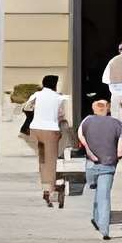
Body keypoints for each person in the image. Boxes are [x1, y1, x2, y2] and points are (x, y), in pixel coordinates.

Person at [77, 97, 122, 240]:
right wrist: (118, 154)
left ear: (94, 109)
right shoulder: (118, 124)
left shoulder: (87, 120)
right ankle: (104, 228)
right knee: (104, 196)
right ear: (108, 109)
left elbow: (80, 135)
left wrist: (89, 151)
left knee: (94, 189)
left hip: (91, 164)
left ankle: (96, 218)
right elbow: (120, 149)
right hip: (108, 164)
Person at [23, 74, 69, 206]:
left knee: (43, 159)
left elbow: (26, 108)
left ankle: (45, 187)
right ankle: (50, 191)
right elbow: (62, 115)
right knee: (50, 162)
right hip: (50, 130)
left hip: (35, 130)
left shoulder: (36, 95)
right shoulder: (59, 97)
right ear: (55, 84)